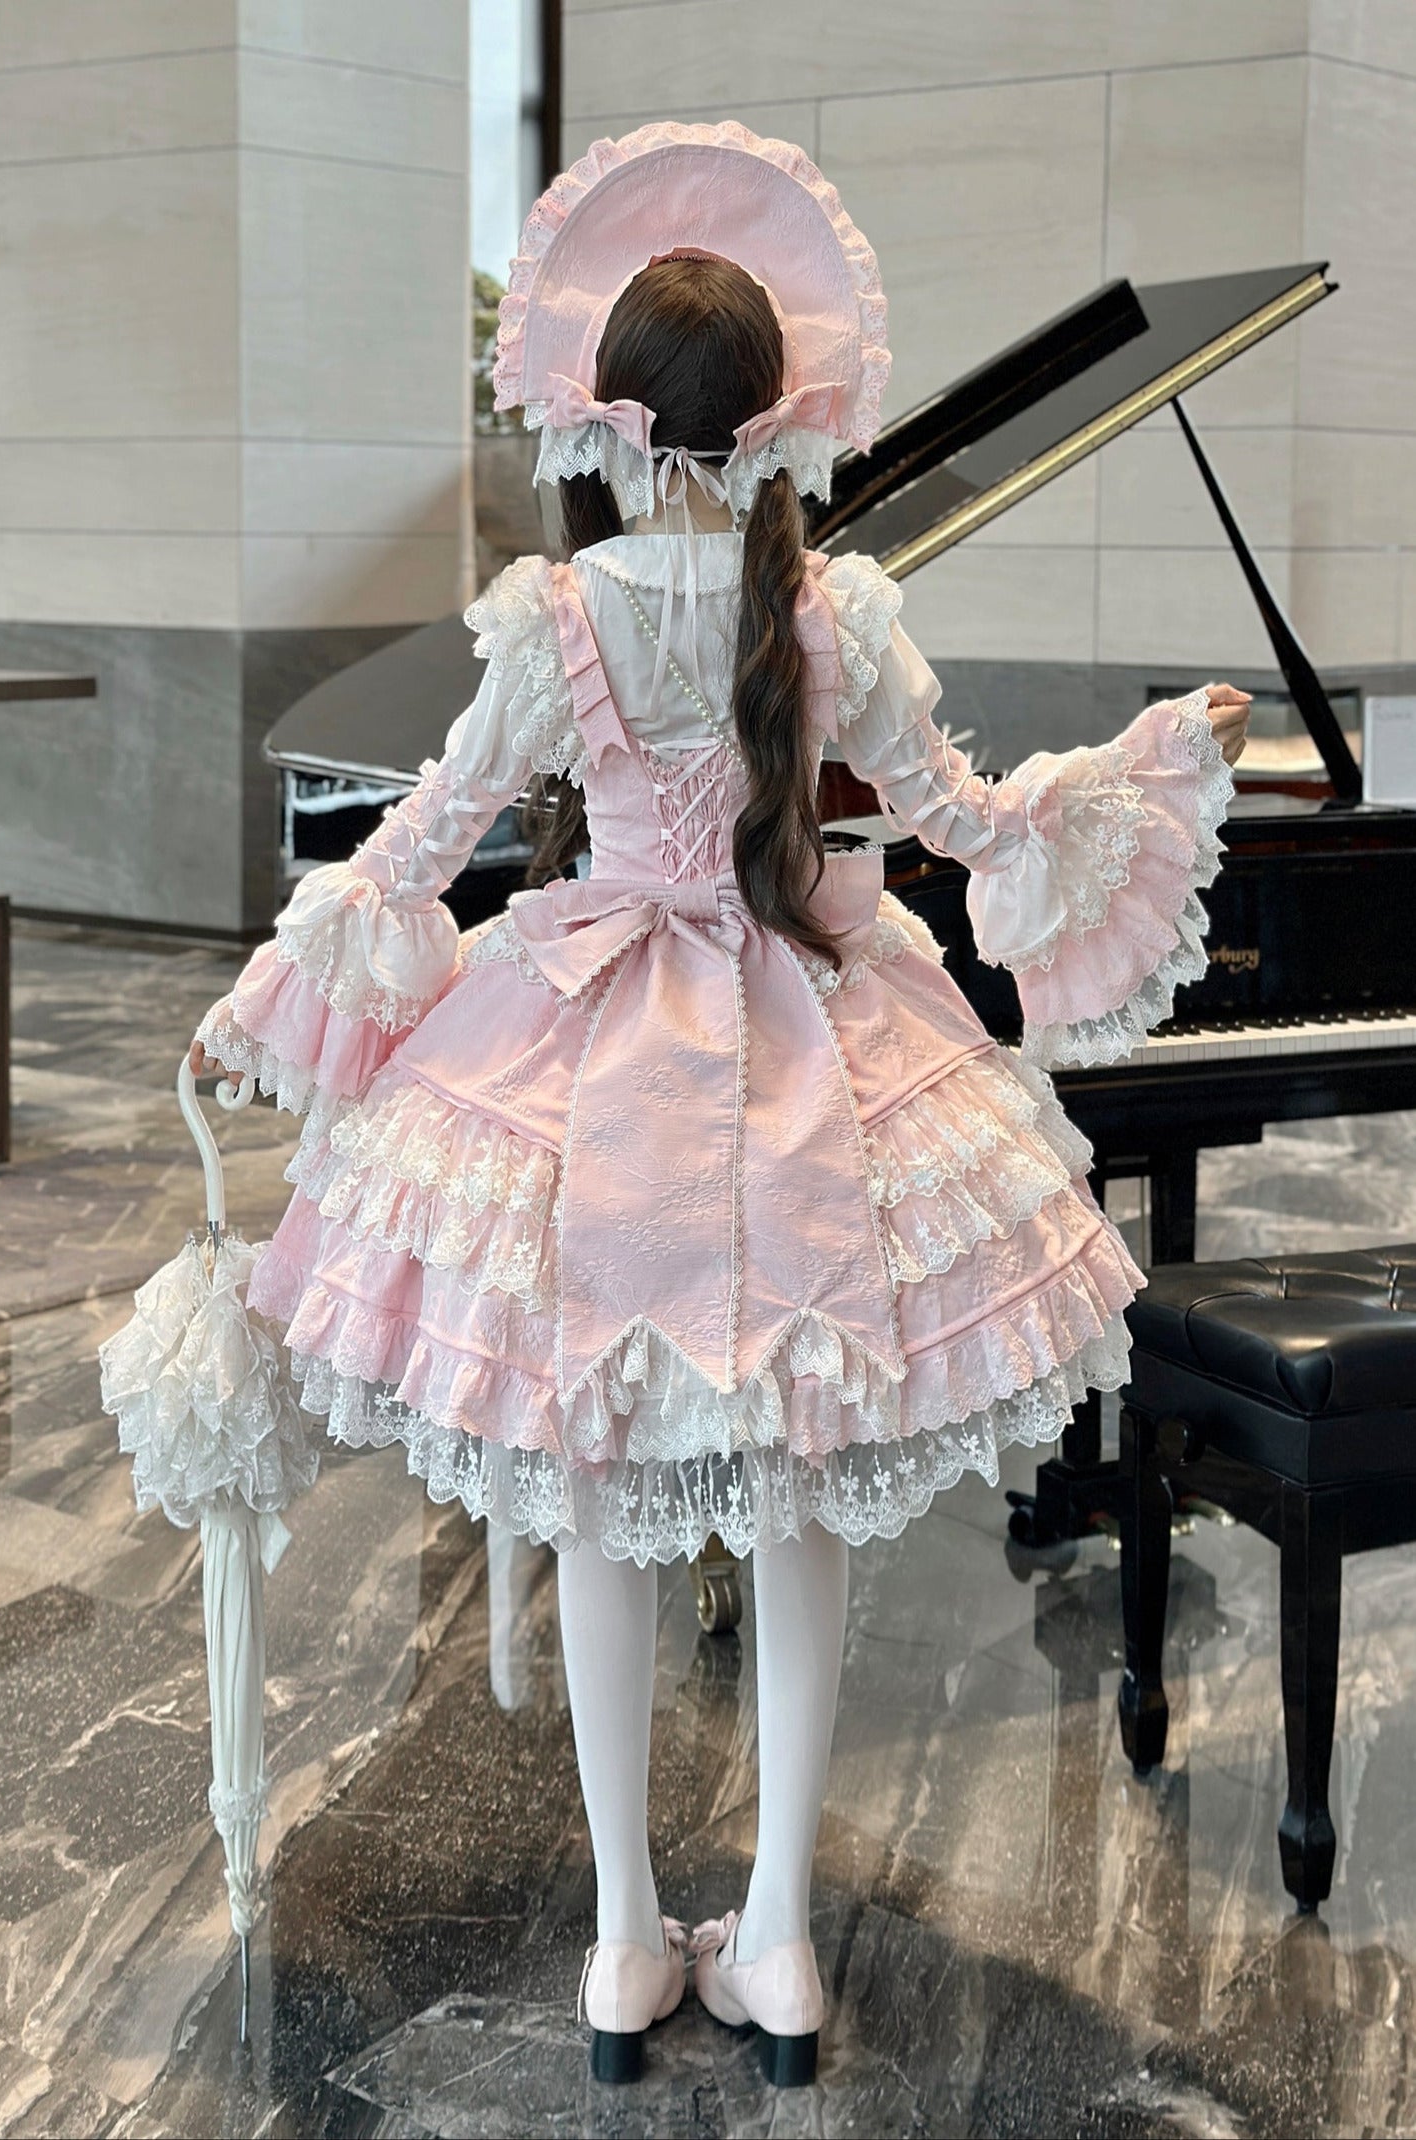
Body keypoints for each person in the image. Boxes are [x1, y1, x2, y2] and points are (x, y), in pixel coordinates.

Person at [189, 121, 1250, 2091]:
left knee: (598, 1489)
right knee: (793, 1497)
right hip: (804, 1037)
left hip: (586, 1042)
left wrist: (267, 999)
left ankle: (621, 1933)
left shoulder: (554, 616)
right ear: (777, 413)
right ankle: (772, 1932)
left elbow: (416, 846)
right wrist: (1161, 757)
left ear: (610, 415)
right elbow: (971, 821)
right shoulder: (831, 610)